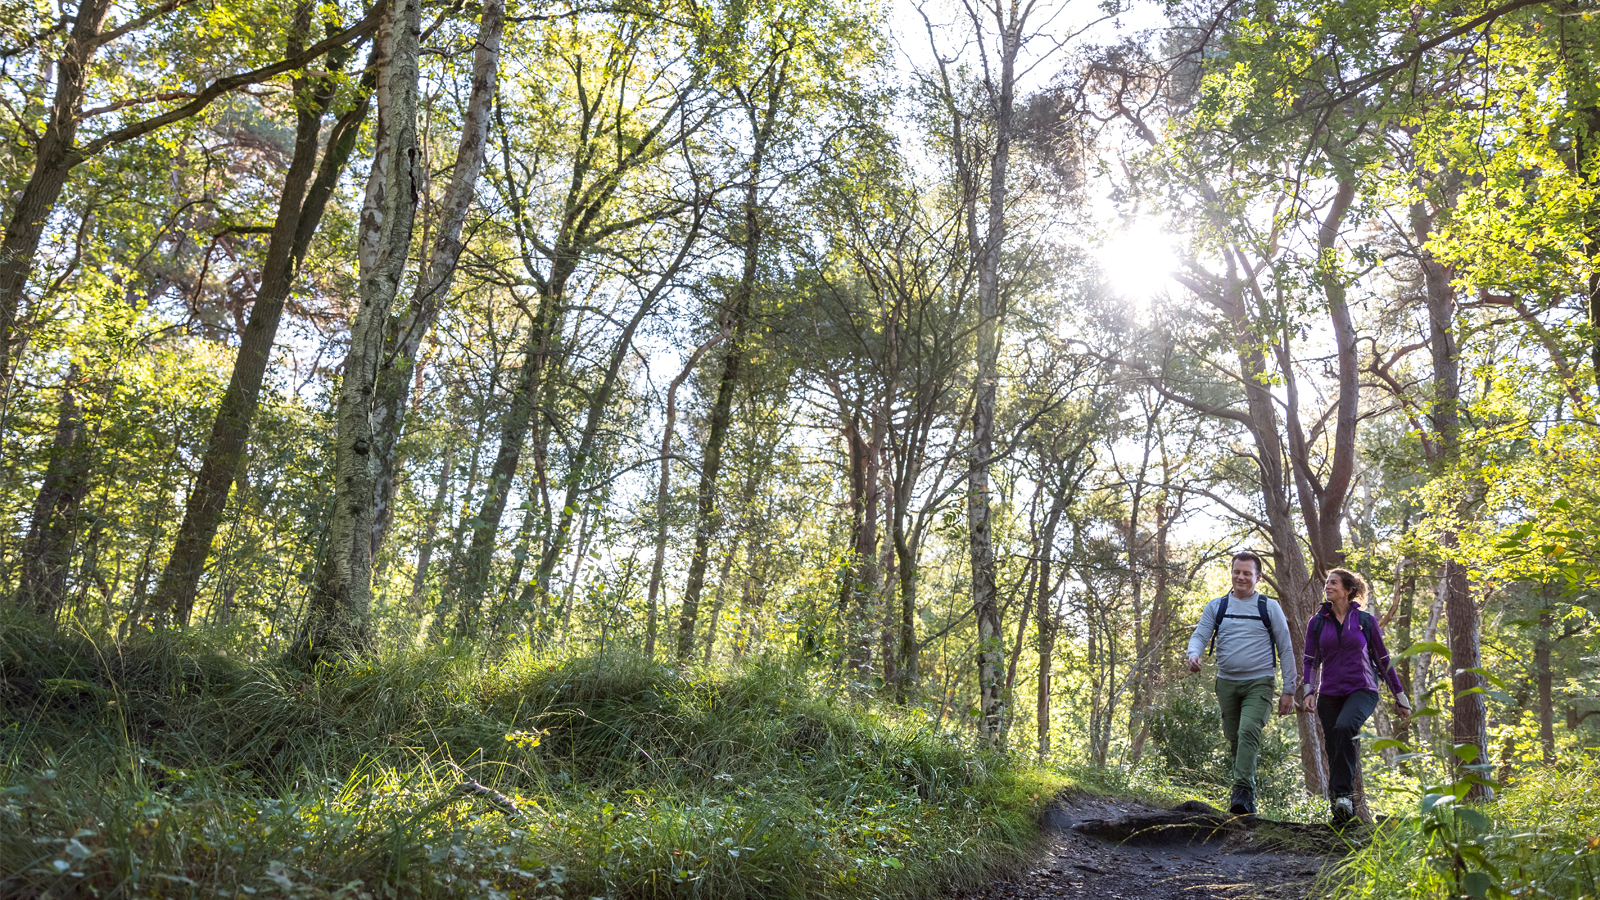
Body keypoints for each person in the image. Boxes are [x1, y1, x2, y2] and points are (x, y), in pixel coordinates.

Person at [1186, 551, 1298, 816]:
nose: (1241, 577)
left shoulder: (1268, 607)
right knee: (1235, 739)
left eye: (1247, 573)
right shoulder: (1218, 606)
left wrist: (1289, 690)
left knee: (1249, 731)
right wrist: (1193, 654)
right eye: (1237, 571)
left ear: (1257, 577)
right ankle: (1248, 802)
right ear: (1232, 573)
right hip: (1226, 683)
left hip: (1259, 682)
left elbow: (1286, 648)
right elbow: (1200, 635)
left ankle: (1241, 796)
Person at [1299, 567, 1411, 826]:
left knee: (1346, 726)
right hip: (1328, 693)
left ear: (1348, 590)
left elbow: (1383, 659)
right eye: (1327, 582)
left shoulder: (1365, 621)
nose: (1328, 586)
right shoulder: (1317, 623)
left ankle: (1344, 798)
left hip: (1362, 689)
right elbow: (1310, 661)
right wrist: (1309, 691)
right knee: (1334, 745)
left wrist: (1400, 697)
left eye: (1334, 582)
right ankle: (1341, 810)